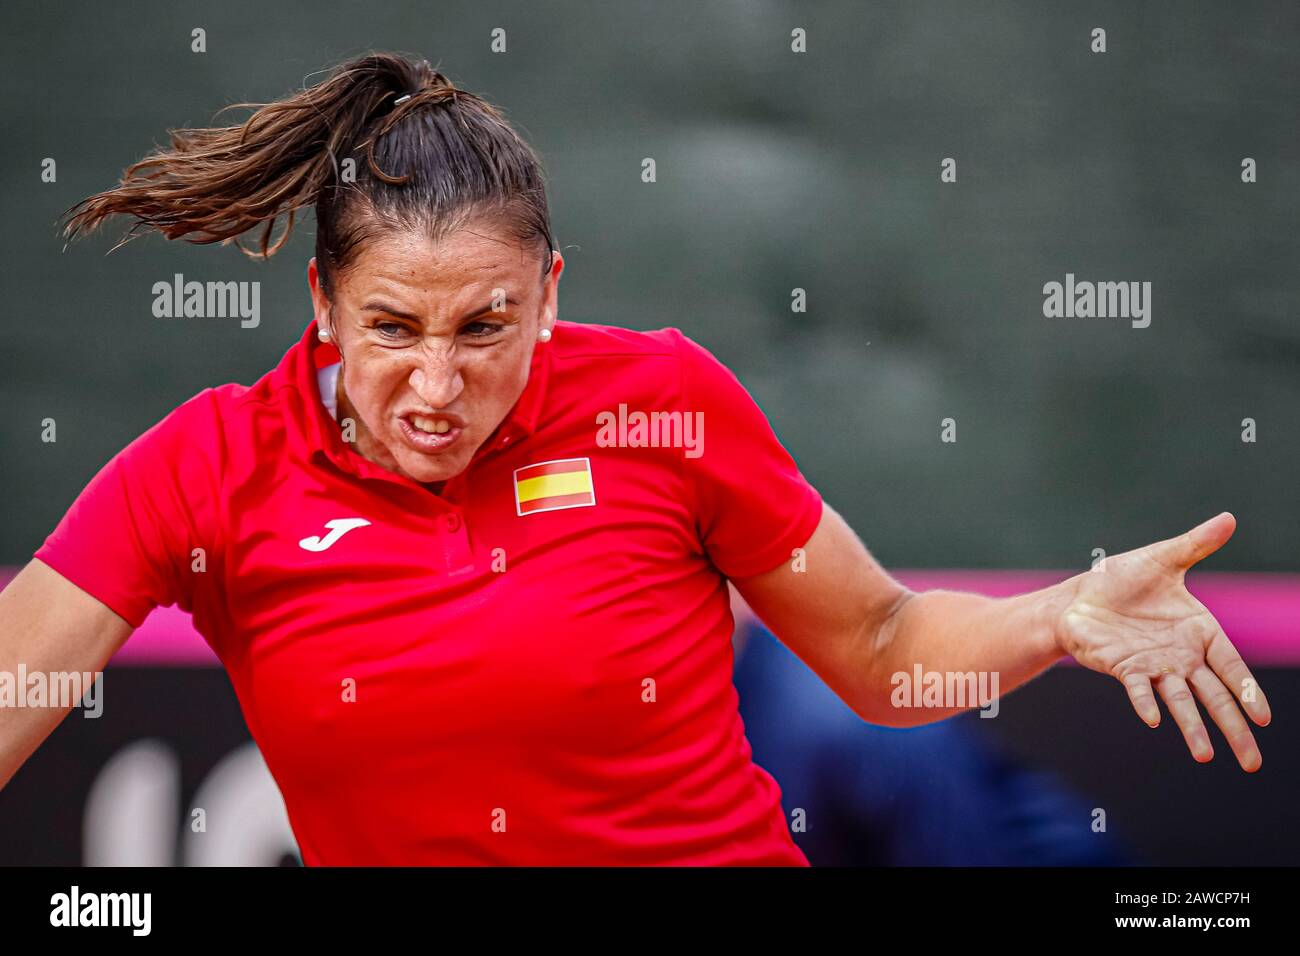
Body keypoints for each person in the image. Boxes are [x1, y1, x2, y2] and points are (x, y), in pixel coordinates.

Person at [0, 52, 1270, 866]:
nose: (436, 387)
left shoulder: (662, 399)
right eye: (390, 328)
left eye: (485, 325)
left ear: (551, 292)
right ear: (323, 301)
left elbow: (880, 656)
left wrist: (1058, 616)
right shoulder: (204, 468)